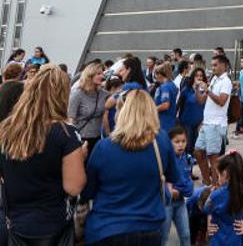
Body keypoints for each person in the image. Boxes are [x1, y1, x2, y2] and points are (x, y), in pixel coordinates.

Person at [0, 65, 86, 246]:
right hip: (48, 226)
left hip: (10, 222)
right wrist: (78, 157)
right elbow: (74, 187)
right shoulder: (65, 134)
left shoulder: (3, 130)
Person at [83, 89, 187, 246]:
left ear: (122, 113)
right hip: (148, 227)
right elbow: (174, 177)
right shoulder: (161, 141)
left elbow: (87, 191)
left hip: (106, 227)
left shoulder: (103, 147)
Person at [202, 153, 243, 246]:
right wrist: (209, 229)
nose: (217, 181)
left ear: (225, 175)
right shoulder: (217, 196)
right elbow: (208, 233)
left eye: (218, 176)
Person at [196, 54, 234, 186]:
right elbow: (201, 100)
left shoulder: (226, 82)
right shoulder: (214, 80)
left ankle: (216, 186)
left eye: (215, 65)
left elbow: (222, 102)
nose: (213, 68)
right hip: (207, 123)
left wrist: (208, 91)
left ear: (224, 65)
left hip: (217, 125)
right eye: (212, 65)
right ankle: (208, 182)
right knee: (198, 152)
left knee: (213, 158)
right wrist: (197, 89)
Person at [164, 128, 196, 246]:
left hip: (181, 202)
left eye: (183, 141)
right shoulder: (166, 159)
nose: (181, 145)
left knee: (186, 235)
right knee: (163, 237)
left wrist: (180, 188)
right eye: (177, 142)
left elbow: (188, 185)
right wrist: (173, 188)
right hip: (167, 204)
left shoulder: (187, 158)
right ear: (169, 143)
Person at [69, 62, 110, 153]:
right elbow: (70, 119)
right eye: (98, 74)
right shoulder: (77, 94)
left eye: (102, 73)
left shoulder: (104, 94)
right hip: (81, 139)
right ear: (89, 75)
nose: (102, 76)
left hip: (98, 138)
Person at [153, 63, 179, 138]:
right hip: (170, 120)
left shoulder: (165, 87)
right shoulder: (172, 84)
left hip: (164, 122)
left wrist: (151, 109)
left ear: (160, 75)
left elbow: (165, 105)